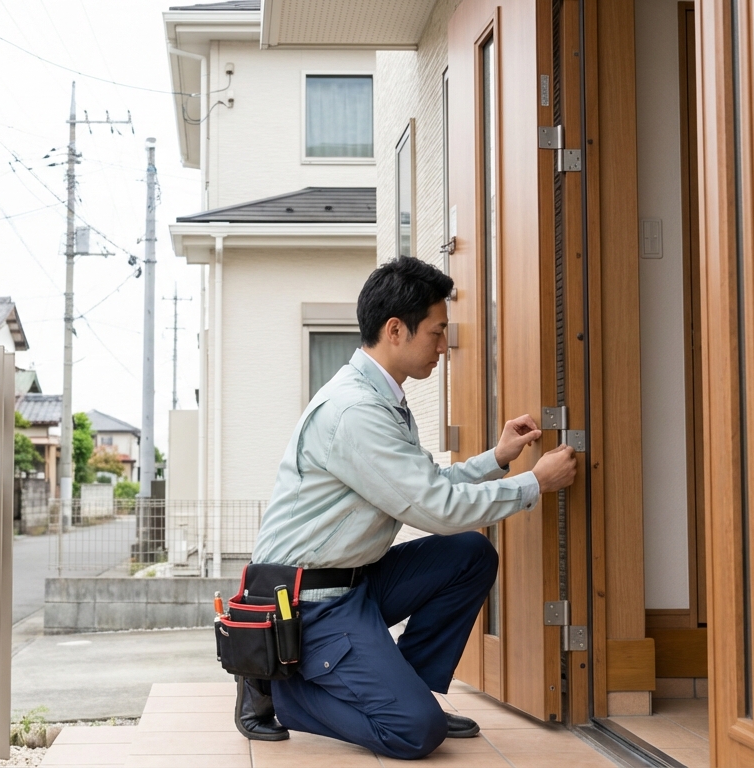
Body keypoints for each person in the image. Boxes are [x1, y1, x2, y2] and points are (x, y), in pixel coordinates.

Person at [237, 256, 578, 759]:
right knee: (416, 732)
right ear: (395, 330)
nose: (444, 345)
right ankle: (279, 687)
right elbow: (435, 509)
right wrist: (534, 483)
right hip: (309, 602)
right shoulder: (355, 411)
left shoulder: (382, 399)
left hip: (355, 580)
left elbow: (426, 485)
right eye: (437, 332)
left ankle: (407, 690)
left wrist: (498, 459)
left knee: (469, 555)